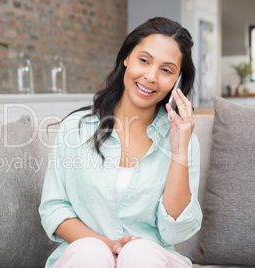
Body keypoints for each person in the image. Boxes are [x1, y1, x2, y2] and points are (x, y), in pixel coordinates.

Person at [39, 17, 202, 268]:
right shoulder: (76, 129)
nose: (150, 76)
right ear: (127, 58)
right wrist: (107, 245)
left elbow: (175, 232)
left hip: (151, 259)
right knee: (89, 252)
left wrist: (179, 152)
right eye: (144, 60)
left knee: (138, 253)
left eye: (166, 70)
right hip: (85, 256)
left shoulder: (182, 137)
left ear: (178, 81)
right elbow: (55, 209)